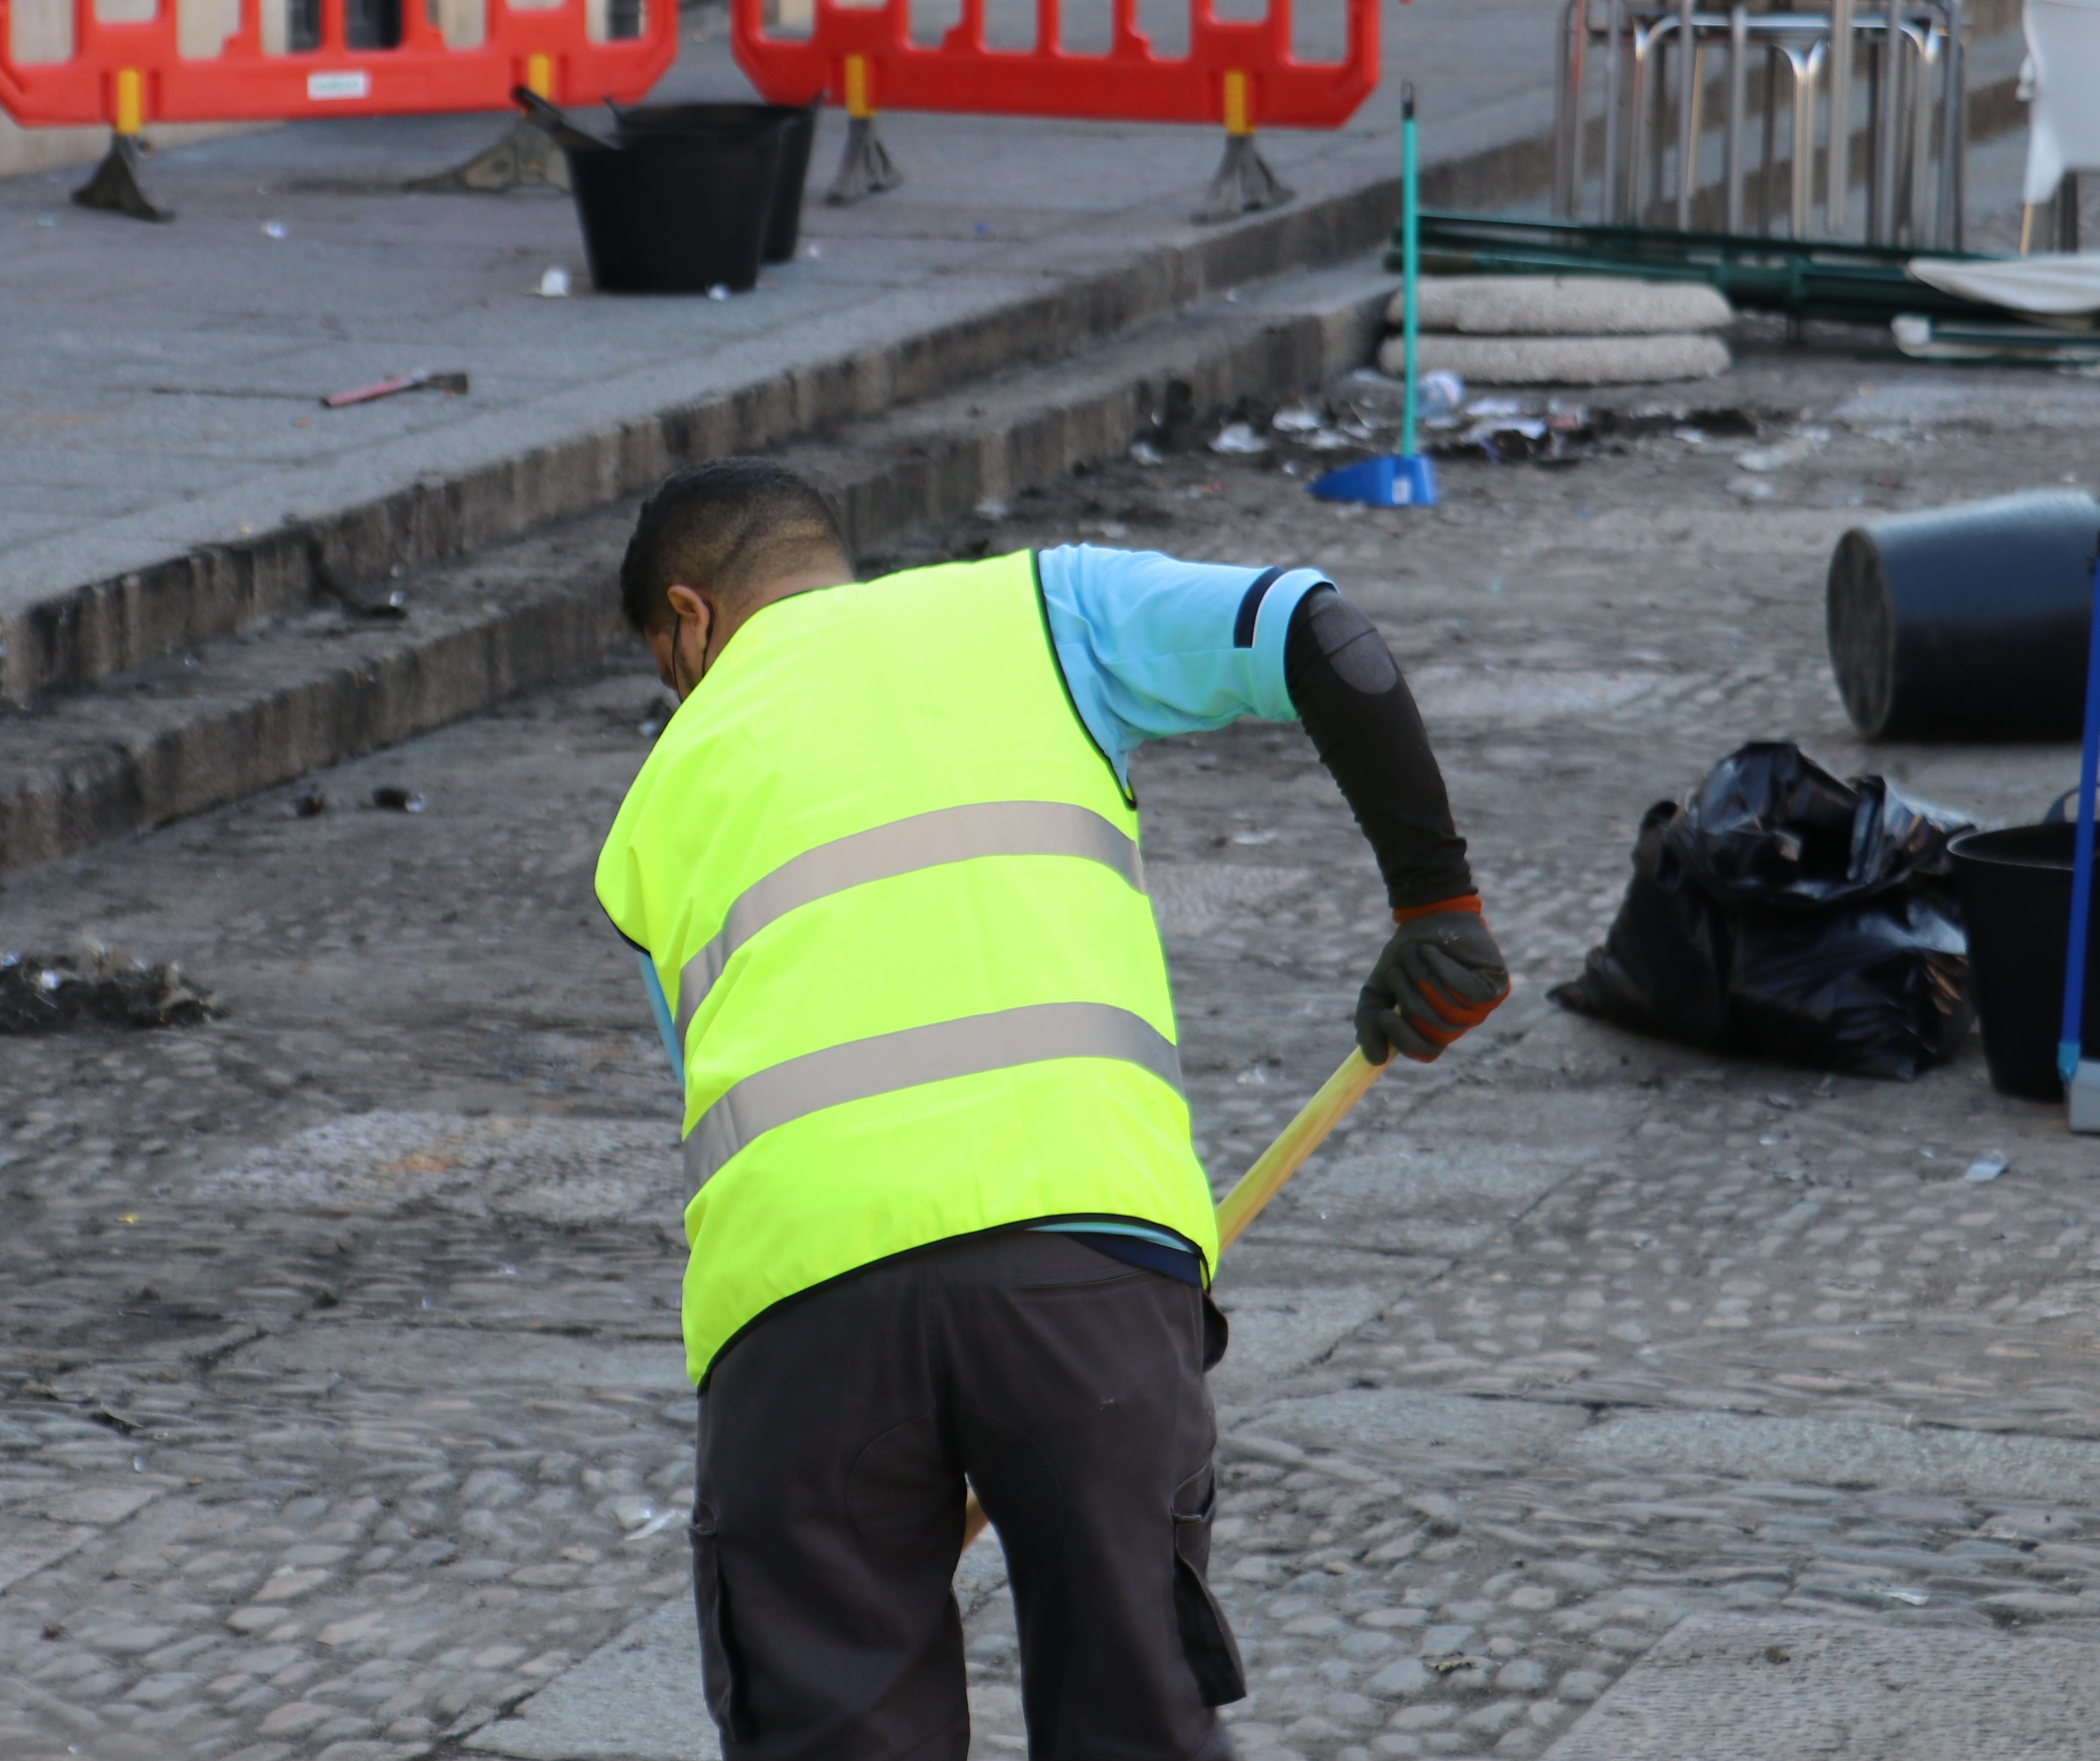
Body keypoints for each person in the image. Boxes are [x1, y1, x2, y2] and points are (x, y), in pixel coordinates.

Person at [595, 459, 1508, 1761]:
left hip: (798, 1312)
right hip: (1086, 1267)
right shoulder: (1041, 608)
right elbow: (1316, 624)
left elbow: (729, 1085)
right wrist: (1438, 909)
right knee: (1131, 1713)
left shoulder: (650, 815)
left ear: (688, 619)